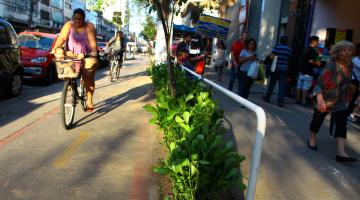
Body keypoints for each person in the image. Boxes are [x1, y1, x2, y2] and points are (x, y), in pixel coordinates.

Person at [307, 40, 357, 163]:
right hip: (325, 98)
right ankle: (312, 138)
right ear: (338, 52)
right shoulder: (331, 65)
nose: (347, 53)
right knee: (317, 120)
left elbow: (347, 82)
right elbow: (319, 83)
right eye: (344, 50)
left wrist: (348, 97)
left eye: (349, 50)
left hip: (341, 100)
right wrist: (320, 99)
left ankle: (341, 152)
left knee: (342, 123)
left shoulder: (350, 64)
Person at [51, 8, 98, 112]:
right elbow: (62, 38)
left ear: (84, 19)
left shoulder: (89, 26)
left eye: (80, 19)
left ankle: (89, 99)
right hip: (71, 55)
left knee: (88, 77)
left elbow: (93, 44)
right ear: (72, 18)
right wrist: (56, 47)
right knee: (64, 69)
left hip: (86, 55)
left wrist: (94, 54)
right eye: (75, 18)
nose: (77, 21)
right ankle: (70, 86)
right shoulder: (69, 25)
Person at [263, 36, 293, 107]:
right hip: (284, 69)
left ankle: (267, 98)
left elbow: (271, 57)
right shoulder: (289, 50)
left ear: (280, 41)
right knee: (282, 86)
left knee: (272, 84)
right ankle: (280, 102)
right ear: (286, 41)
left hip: (275, 69)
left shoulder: (276, 47)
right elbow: (290, 60)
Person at [296, 36, 321, 105]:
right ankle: (303, 101)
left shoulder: (305, 49)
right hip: (308, 71)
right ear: (314, 41)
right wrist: (317, 63)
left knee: (299, 85)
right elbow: (310, 61)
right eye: (317, 41)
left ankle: (297, 99)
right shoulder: (312, 50)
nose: (318, 43)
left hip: (301, 70)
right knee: (306, 86)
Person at [348, 44, 360, 121]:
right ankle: (347, 112)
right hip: (353, 81)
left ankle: (349, 112)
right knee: (351, 97)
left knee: (355, 98)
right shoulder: (355, 59)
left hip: (357, 81)